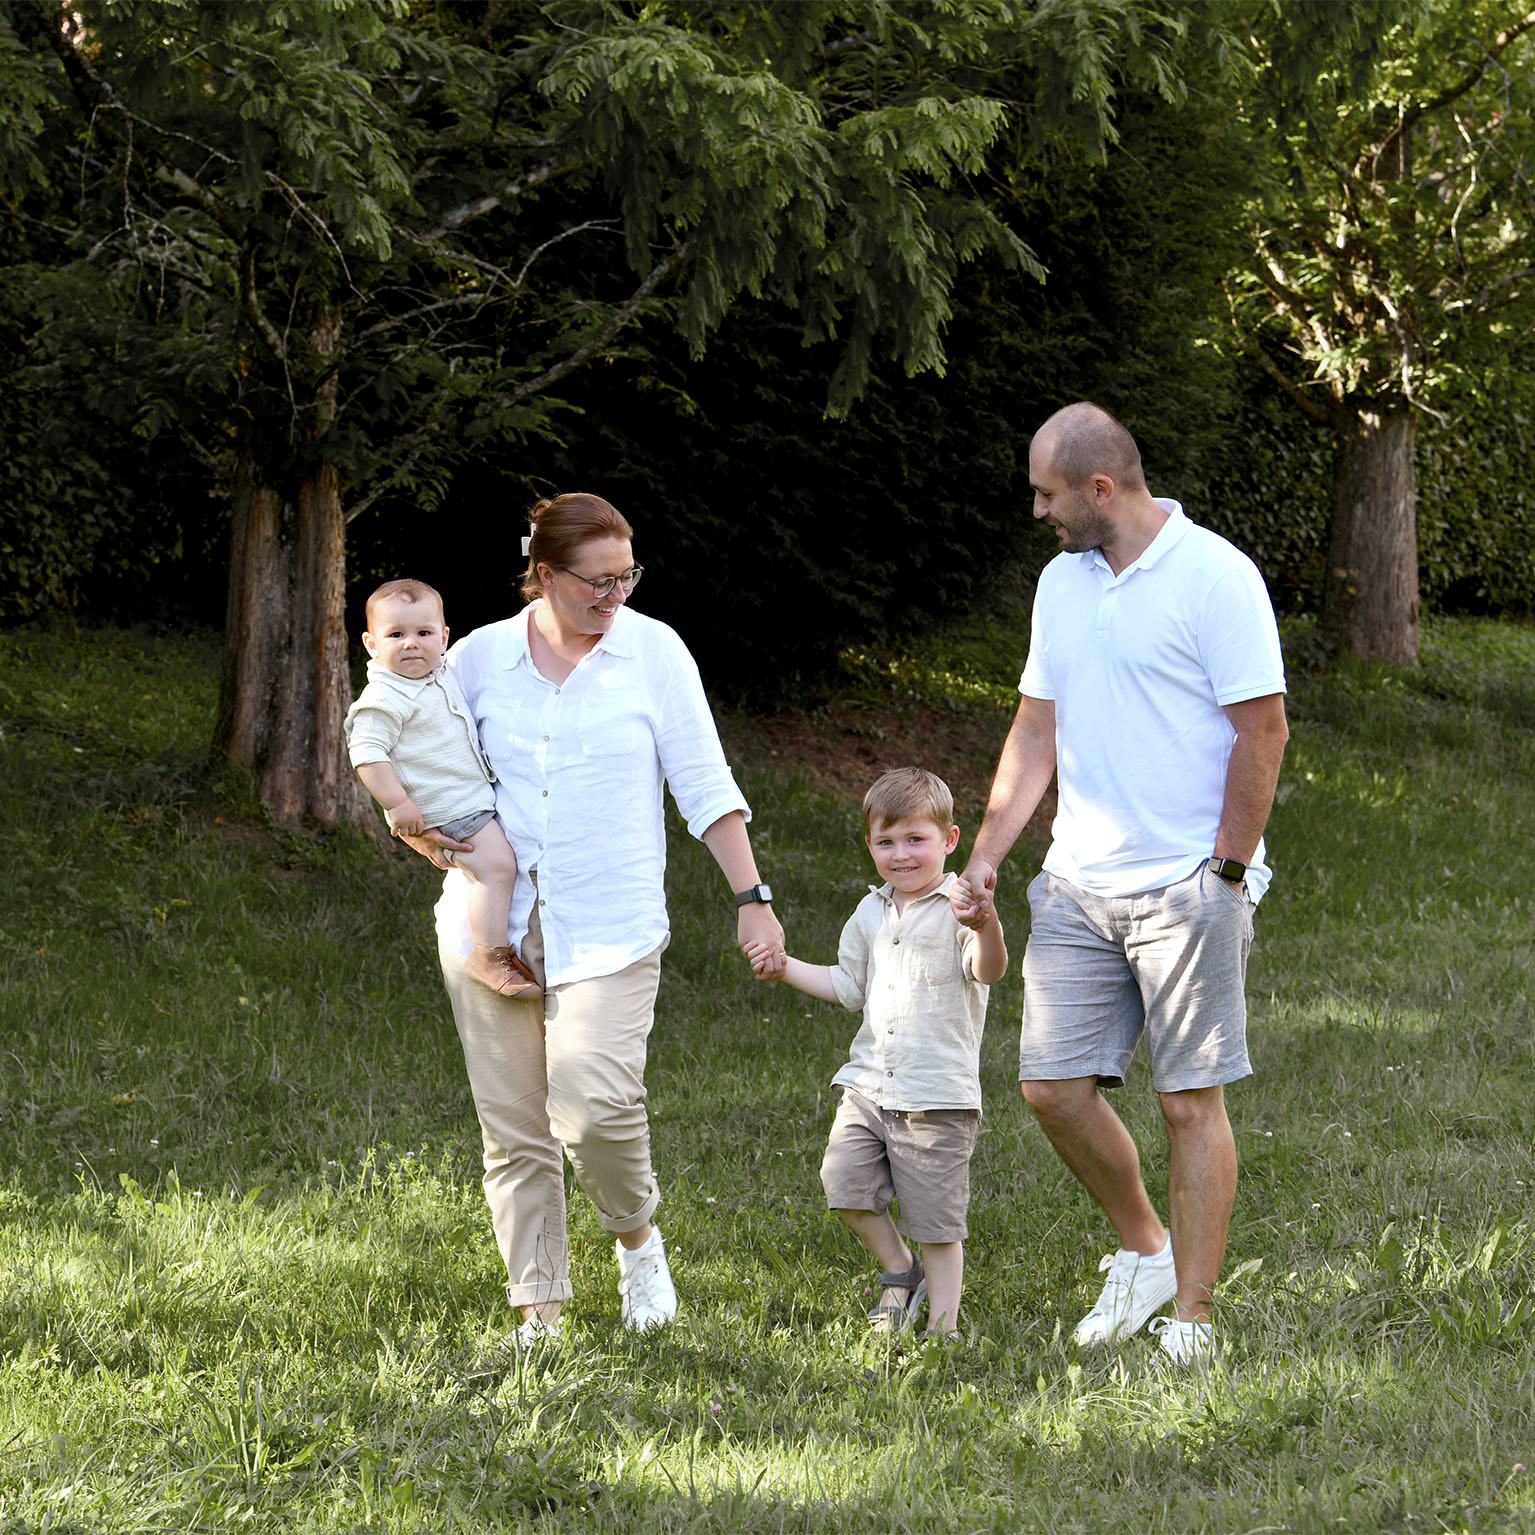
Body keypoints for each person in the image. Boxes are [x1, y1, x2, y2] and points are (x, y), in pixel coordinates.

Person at [397, 493, 785, 1345]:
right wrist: (434, 842)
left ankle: (636, 1241)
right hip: (488, 924)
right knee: (515, 1125)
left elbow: (705, 783)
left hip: (609, 919)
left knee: (595, 1106)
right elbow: (410, 747)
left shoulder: (655, 651)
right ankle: (539, 1304)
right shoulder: (479, 659)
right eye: (597, 581)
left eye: (626, 576)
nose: (615, 595)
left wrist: (751, 899)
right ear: (542, 575)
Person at [953, 402, 1288, 1366]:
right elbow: (1033, 728)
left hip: (1186, 882)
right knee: (1052, 1088)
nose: (1037, 511)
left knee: (1188, 1100)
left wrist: (1224, 869)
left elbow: (1262, 730)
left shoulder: (1215, 577)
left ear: (1101, 490)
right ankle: (1144, 1248)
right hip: (1077, 881)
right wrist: (986, 853)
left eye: (1046, 493)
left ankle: (1192, 1315)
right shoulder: (1062, 583)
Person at [747, 767, 1007, 1341]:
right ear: (869, 846)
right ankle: (899, 1270)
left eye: (915, 839)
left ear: (950, 840)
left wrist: (987, 929)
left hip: (936, 1093)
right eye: (885, 842)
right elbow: (848, 986)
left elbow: (986, 971)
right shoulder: (870, 913)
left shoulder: (960, 908)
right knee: (844, 1184)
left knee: (937, 1223)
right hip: (868, 1083)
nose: (901, 854)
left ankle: (943, 1329)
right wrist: (784, 967)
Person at [344, 579, 536, 999]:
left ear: (444, 637)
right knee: (497, 867)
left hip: (466, 798)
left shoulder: (438, 674)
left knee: (497, 864)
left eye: (423, 633)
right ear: (371, 643)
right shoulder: (384, 696)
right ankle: (489, 953)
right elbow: (366, 752)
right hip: (447, 808)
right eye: (396, 635)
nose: (411, 644)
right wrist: (397, 805)